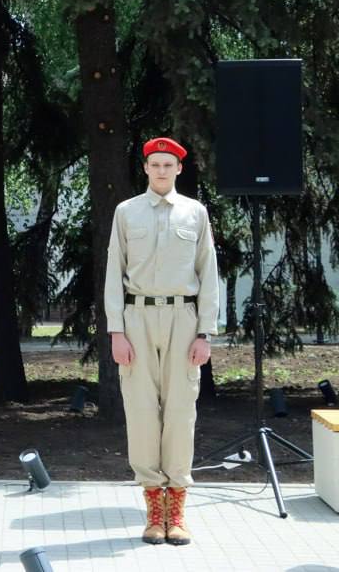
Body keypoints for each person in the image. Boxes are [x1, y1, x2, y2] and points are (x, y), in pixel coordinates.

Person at [105, 137, 219, 547]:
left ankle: (178, 512)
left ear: (179, 170)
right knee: (140, 410)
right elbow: (113, 272)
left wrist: (205, 332)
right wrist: (116, 331)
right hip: (136, 318)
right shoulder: (126, 212)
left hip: (183, 318)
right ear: (146, 167)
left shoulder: (195, 213)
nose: (161, 171)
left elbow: (209, 274)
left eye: (168, 165)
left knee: (180, 412)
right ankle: (154, 509)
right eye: (155, 164)